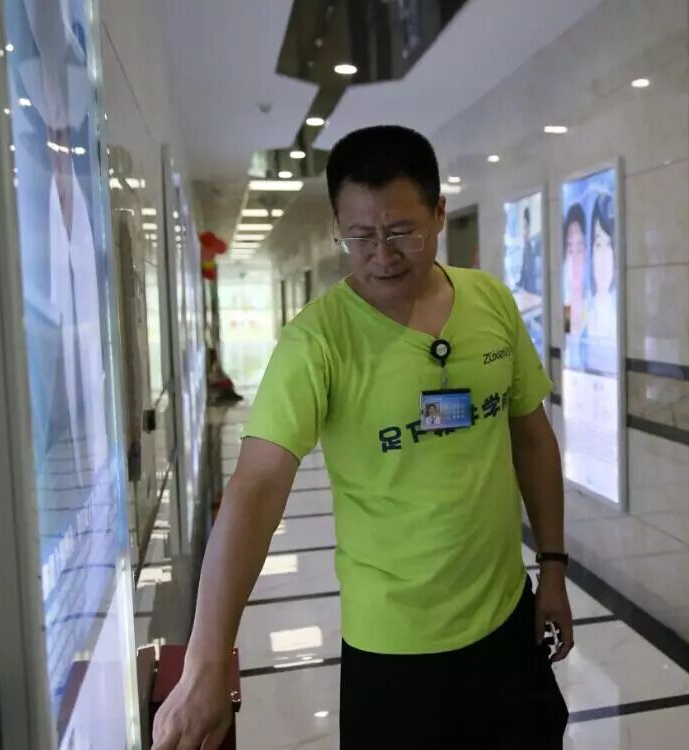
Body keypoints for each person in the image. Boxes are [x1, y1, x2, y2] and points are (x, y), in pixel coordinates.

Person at [152, 125, 573, 749]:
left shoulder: (491, 301)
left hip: (508, 622)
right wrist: (207, 661)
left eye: (402, 231)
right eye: (359, 236)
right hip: (392, 650)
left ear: (439, 213)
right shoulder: (316, 343)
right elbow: (257, 487)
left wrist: (554, 566)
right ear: (337, 227)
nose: (382, 254)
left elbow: (531, 435)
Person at [583, 193, 617, 375]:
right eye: (598, 244)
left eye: (609, 244)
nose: (603, 257)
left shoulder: (619, 312)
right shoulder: (579, 310)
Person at [562, 202, 588, 369]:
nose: (574, 259)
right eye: (570, 250)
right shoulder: (565, 305)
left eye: (579, 248)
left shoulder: (593, 306)